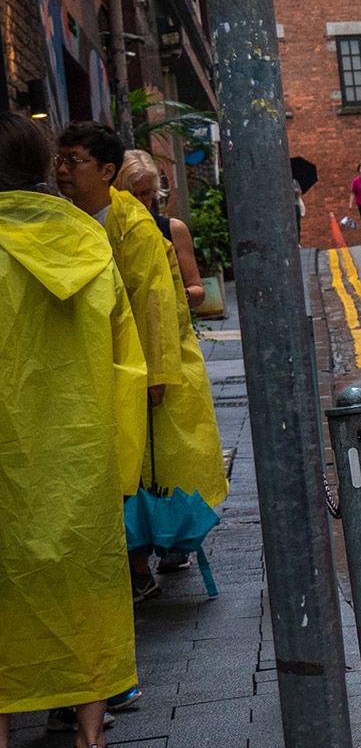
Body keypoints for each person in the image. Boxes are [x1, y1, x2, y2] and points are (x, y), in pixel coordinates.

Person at [0, 113, 147, 748]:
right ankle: (90, 746)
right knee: (90, 595)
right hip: (83, 455)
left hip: (8, 459)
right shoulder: (91, 247)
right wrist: (122, 466)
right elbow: (127, 365)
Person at [53, 123, 228, 602]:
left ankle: (140, 563)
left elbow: (155, 304)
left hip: (142, 368)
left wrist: (154, 376)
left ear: (106, 171)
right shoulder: (69, 220)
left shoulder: (134, 227)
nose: (62, 169)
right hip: (96, 367)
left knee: (144, 466)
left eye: (74, 160)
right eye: (60, 159)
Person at [121, 149, 205, 306]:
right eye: (130, 194)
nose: (138, 201)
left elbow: (197, 291)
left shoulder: (173, 229)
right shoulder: (109, 231)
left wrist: (177, 293)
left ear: (155, 192)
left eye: (145, 193)